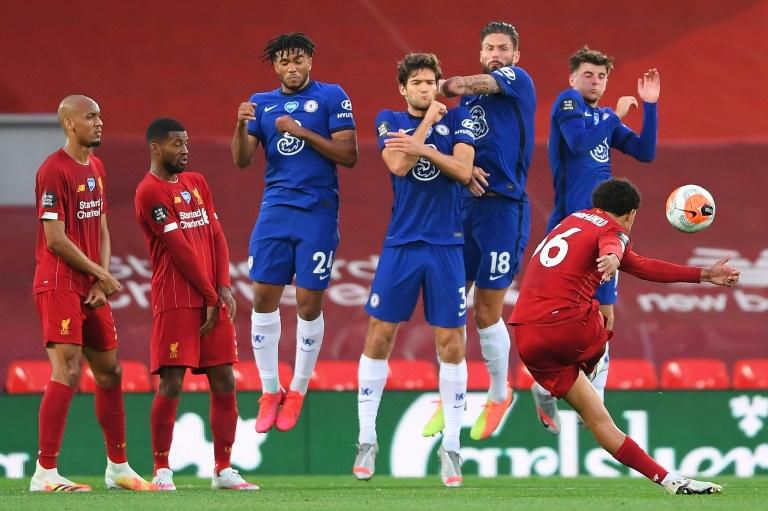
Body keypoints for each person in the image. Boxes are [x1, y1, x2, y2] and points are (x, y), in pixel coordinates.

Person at [510, 178, 737, 495]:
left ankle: (670, 481)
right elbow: (614, 244)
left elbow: (644, 266)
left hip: (525, 337)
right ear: (630, 214)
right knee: (604, 316)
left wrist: (703, 275)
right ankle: (593, 373)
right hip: (566, 328)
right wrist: (614, 257)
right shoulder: (612, 230)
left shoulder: (572, 221)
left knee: (599, 421)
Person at [352, 53, 475, 488]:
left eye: (431, 82)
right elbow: (398, 165)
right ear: (403, 88)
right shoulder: (388, 118)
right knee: (380, 334)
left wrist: (423, 146)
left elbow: (463, 170)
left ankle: (453, 447)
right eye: (417, 83)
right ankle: (367, 437)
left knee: (452, 344)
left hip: (447, 246)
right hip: (402, 244)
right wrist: (424, 133)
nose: (426, 88)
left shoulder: (460, 120)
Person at [231, 32, 358, 433]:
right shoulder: (263, 103)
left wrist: (302, 131)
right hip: (275, 210)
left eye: (299, 60)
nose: (292, 68)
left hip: (317, 213)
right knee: (262, 297)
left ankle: (298, 389)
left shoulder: (332, 96)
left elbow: (349, 154)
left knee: (307, 304)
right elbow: (242, 160)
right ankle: (270, 390)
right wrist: (240, 125)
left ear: (310, 60)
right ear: (275, 66)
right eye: (284, 62)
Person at [30, 95, 155, 492]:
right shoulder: (53, 171)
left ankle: (118, 468)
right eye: (90, 117)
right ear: (69, 123)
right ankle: (45, 473)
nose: (99, 123)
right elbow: (54, 238)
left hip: (89, 285)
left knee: (110, 371)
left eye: (100, 115)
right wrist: (100, 272)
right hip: (59, 282)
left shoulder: (97, 167)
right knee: (66, 370)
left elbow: (100, 224)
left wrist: (101, 279)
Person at [534, 47, 661, 434]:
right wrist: (615, 115)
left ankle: (596, 405)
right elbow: (577, 144)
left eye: (601, 76)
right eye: (588, 75)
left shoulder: (602, 119)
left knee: (605, 317)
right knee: (560, 316)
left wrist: (651, 107)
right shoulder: (568, 103)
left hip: (604, 229)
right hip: (570, 228)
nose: (595, 82)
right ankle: (544, 386)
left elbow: (645, 151)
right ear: (573, 78)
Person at [423, 21, 536, 441]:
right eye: (488, 47)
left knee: (487, 310)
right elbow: (452, 153)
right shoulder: (462, 109)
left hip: (503, 208)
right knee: (450, 304)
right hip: (462, 207)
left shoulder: (516, 81)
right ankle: (450, 394)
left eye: (502, 48)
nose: (495, 53)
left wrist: (445, 82)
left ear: (514, 56)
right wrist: (463, 173)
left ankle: (498, 393)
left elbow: (470, 83)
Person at [135, 118, 259, 491]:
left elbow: (215, 234)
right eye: (176, 144)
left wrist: (223, 286)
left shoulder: (197, 183)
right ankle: (161, 470)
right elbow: (180, 251)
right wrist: (209, 295)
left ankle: (223, 470)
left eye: (186, 142)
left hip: (211, 297)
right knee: (172, 383)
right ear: (156, 148)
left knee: (224, 381)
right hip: (176, 299)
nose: (184, 149)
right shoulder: (149, 192)